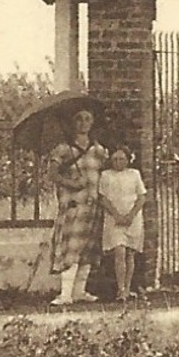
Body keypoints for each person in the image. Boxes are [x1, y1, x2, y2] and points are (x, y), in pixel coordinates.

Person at [45, 107, 107, 306]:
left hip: (93, 205)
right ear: (72, 123)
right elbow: (52, 174)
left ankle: (79, 291)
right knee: (71, 248)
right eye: (78, 119)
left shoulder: (98, 150)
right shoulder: (64, 149)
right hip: (73, 204)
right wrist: (71, 183)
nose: (83, 123)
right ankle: (66, 294)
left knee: (87, 249)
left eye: (87, 119)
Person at [98, 143, 147, 301]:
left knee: (130, 254)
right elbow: (103, 198)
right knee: (119, 251)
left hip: (133, 218)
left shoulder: (134, 174)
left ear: (128, 160)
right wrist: (117, 215)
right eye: (115, 159)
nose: (118, 162)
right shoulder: (106, 175)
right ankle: (120, 289)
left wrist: (131, 215)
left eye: (122, 159)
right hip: (114, 218)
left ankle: (127, 288)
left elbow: (141, 197)